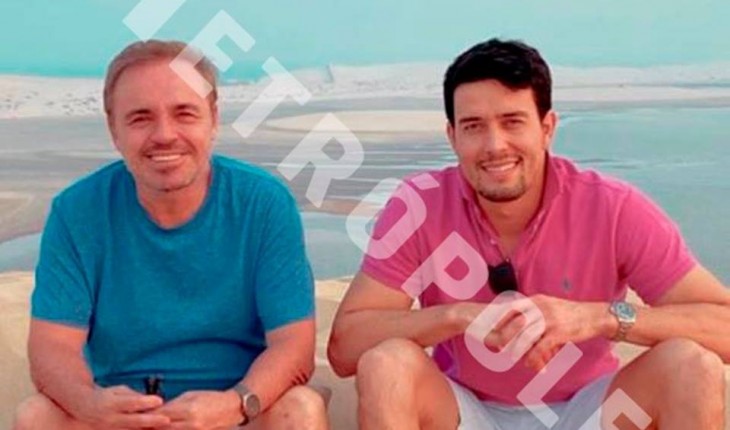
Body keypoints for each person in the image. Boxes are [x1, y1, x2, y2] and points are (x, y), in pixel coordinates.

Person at [327, 38, 729, 430]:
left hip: (591, 410)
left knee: (691, 366)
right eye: (473, 126)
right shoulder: (420, 206)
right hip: (464, 410)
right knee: (387, 364)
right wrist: (458, 316)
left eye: (512, 122)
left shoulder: (613, 207)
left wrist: (597, 318)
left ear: (547, 127)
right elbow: (346, 349)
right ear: (452, 136)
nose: (494, 145)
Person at [13, 40, 328, 430]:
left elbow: (293, 344)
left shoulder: (263, 204)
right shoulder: (76, 212)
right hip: (121, 416)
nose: (164, 134)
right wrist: (90, 404)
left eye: (184, 113)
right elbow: (52, 347)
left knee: (300, 409)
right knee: (36, 416)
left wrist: (235, 403)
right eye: (141, 118)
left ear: (213, 120)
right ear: (114, 130)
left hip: (235, 413)